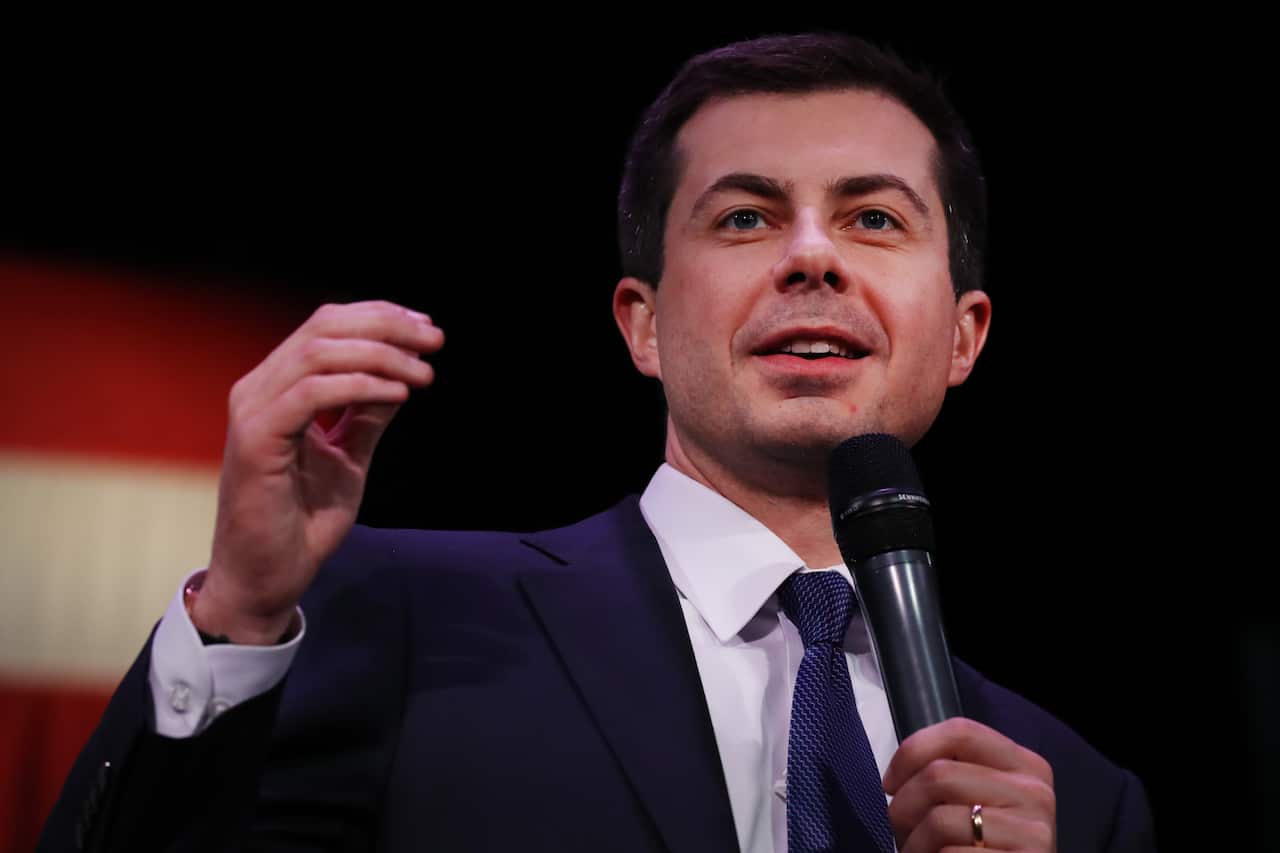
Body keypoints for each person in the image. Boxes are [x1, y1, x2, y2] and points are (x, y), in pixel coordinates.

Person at [40, 31, 1155, 853]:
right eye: (745, 217)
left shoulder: (1078, 796)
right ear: (642, 323)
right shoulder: (409, 617)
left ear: (962, 335)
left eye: (872, 218)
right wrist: (234, 612)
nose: (813, 256)